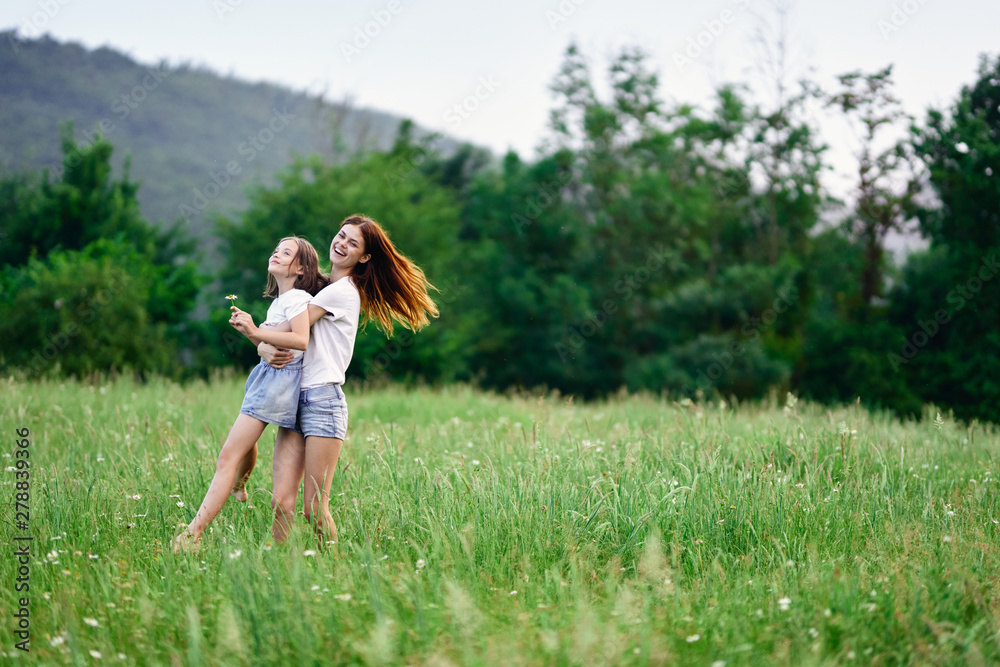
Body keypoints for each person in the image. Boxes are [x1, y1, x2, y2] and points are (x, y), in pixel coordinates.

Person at [246, 215, 438, 547]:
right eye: (341, 235)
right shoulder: (322, 288)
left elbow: (290, 331)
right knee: (281, 502)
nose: (341, 244)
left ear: (364, 257)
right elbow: (282, 330)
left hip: (323, 402)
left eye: (353, 243)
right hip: (294, 398)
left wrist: (253, 333)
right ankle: (283, 574)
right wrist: (263, 347)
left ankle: (335, 572)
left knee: (314, 509)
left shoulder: (343, 293)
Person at [172, 237, 327, 553]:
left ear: (300, 269)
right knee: (247, 445)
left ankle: (193, 533)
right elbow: (277, 341)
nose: (276, 254)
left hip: (276, 385)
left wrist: (255, 332)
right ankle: (240, 486)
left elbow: (300, 338)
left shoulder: (296, 298)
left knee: (228, 455)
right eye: (275, 249)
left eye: (286, 253)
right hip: (269, 379)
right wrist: (257, 340)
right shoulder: (282, 301)